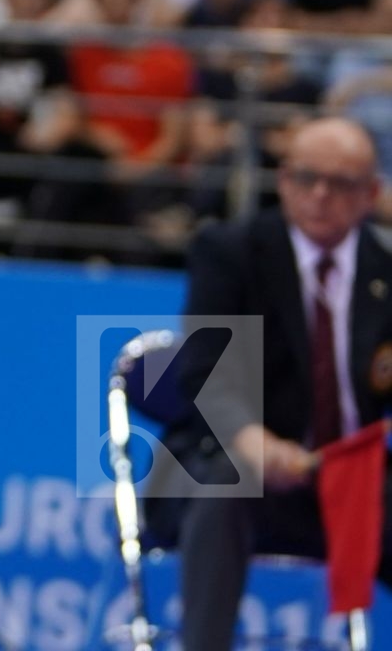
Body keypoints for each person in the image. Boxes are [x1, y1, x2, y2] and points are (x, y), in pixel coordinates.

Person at [165, 117, 392, 651]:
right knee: (227, 480)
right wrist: (256, 442)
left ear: (371, 194)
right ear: (284, 180)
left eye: (340, 184)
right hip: (258, 469)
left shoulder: (387, 272)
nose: (320, 195)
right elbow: (205, 373)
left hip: (359, 481)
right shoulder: (233, 252)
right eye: (306, 178)